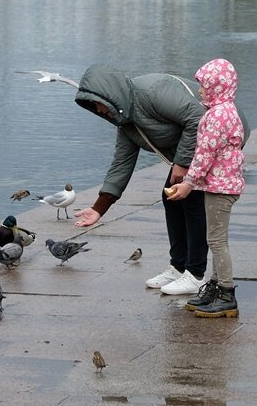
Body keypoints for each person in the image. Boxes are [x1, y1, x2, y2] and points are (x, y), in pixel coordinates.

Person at [73, 65, 210, 296]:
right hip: (191, 153)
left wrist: (183, 163)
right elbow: (121, 164)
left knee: (192, 201)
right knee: (171, 200)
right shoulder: (126, 122)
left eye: (98, 103)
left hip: (218, 142)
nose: (98, 110)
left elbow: (198, 117)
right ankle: (178, 268)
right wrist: (99, 209)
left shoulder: (152, 90)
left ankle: (195, 275)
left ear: (110, 94)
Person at [165, 58, 245, 318]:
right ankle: (215, 286)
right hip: (223, 183)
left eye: (203, 86)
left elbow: (204, 155)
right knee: (216, 239)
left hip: (220, 186)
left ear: (216, 87)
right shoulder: (226, 110)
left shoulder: (216, 116)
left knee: (217, 241)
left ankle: (226, 292)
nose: (199, 91)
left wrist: (189, 182)